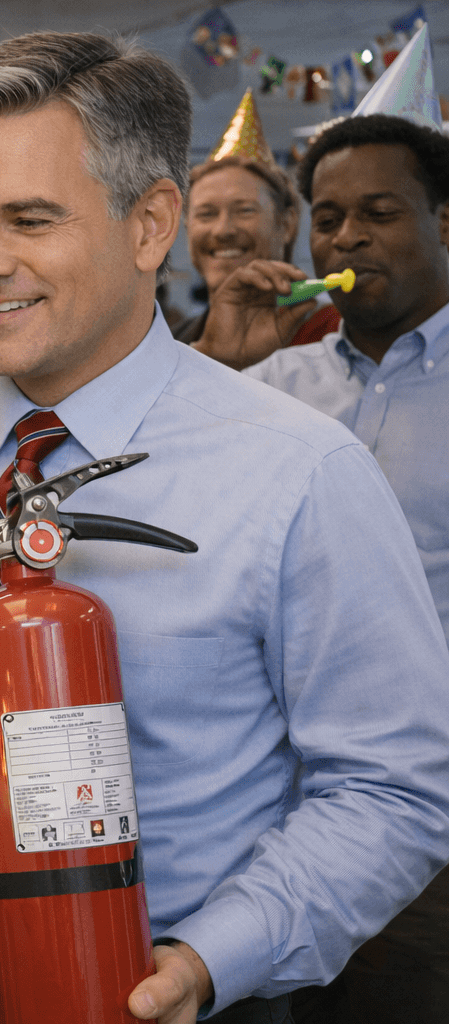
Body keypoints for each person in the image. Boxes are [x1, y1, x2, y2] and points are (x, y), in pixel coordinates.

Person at [0, 32, 449, 1024]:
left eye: (29, 220)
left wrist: (209, 957)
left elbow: (395, 786)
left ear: (152, 221)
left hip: (176, 995)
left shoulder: (299, 469)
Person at [243, 113, 449, 1021]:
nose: (348, 238)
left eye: (380, 212)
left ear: (445, 222)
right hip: (270, 811)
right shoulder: (272, 386)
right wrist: (221, 360)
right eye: (327, 217)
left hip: (423, 807)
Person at [174, 90, 340, 353]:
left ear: (286, 224)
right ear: (186, 226)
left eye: (244, 211)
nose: (223, 230)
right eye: (206, 214)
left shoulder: (332, 333)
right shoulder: (175, 343)